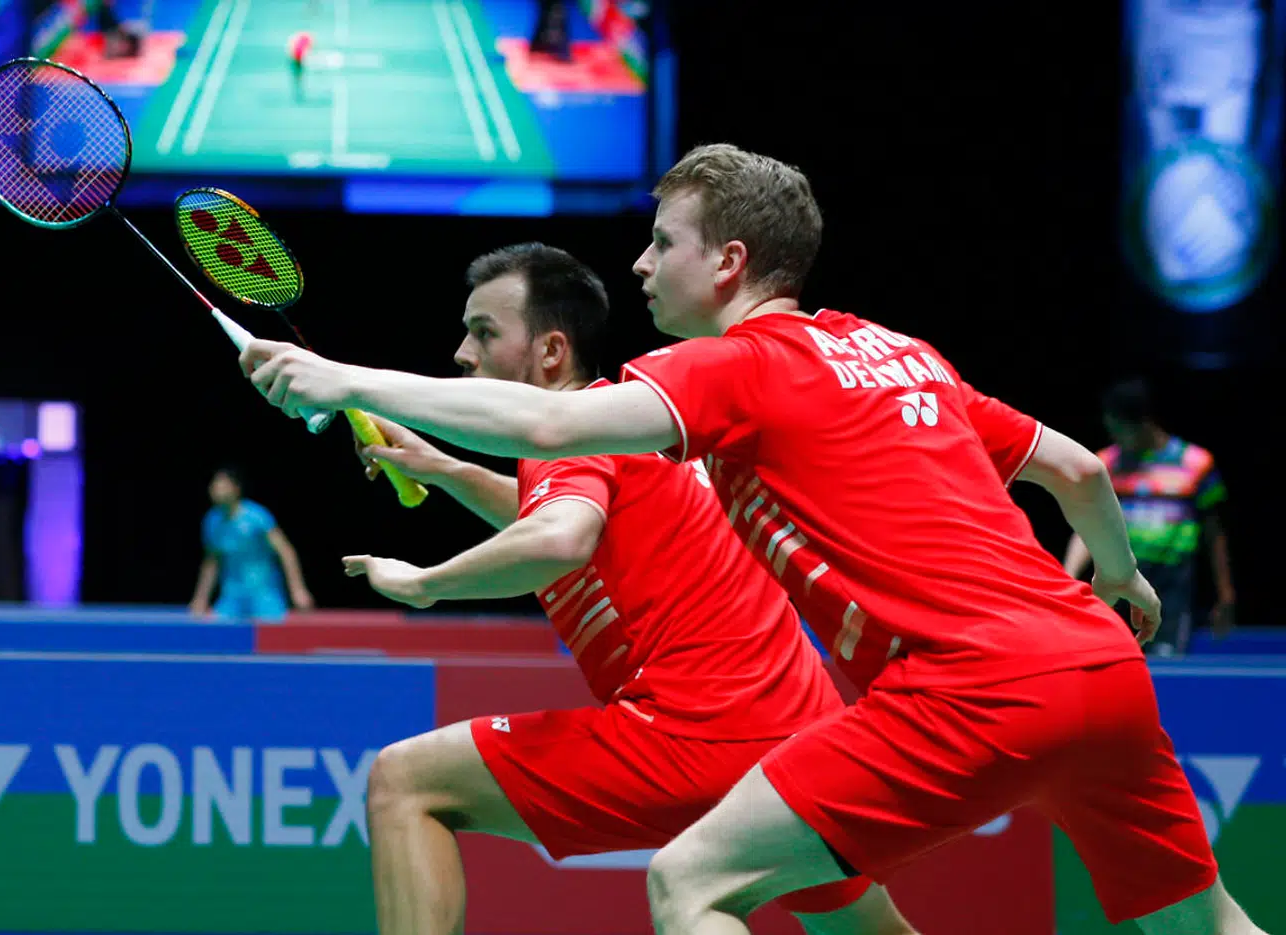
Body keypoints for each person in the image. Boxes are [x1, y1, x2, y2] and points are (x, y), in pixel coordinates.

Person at [239, 143, 1265, 935]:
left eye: (664, 242)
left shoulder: (735, 366)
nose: (641, 263)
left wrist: (344, 379)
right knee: (1204, 921)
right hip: (1100, 663)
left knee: (690, 882)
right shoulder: (900, 350)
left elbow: (550, 429)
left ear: (729, 262)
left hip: (964, 687)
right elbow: (1078, 471)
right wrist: (1123, 577)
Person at [341, 243, 915, 935]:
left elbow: (559, 539)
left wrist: (424, 583)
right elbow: (564, 515)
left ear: (551, 351)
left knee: (406, 780)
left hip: (690, 732)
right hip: (797, 737)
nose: (463, 353)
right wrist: (444, 469)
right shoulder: (634, 429)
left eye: (484, 332)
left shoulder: (570, 438)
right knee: (861, 929)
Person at [1064, 377, 1235, 656]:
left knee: (1166, 663)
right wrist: (1068, 575)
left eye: (1119, 429)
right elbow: (1089, 525)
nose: (1115, 437)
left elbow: (1215, 533)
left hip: (1173, 585)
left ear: (1143, 423)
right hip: (1117, 577)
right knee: (1115, 660)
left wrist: (1225, 592)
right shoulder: (1104, 464)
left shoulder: (1196, 463)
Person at [189, 465, 314, 621]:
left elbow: (286, 551)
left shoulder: (257, 516)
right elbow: (212, 562)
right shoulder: (212, 521)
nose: (216, 490)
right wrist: (201, 598)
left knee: (273, 633)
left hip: (264, 595)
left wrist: (298, 590)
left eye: (222, 486)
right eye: (214, 486)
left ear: (236, 489)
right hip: (232, 597)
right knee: (215, 630)